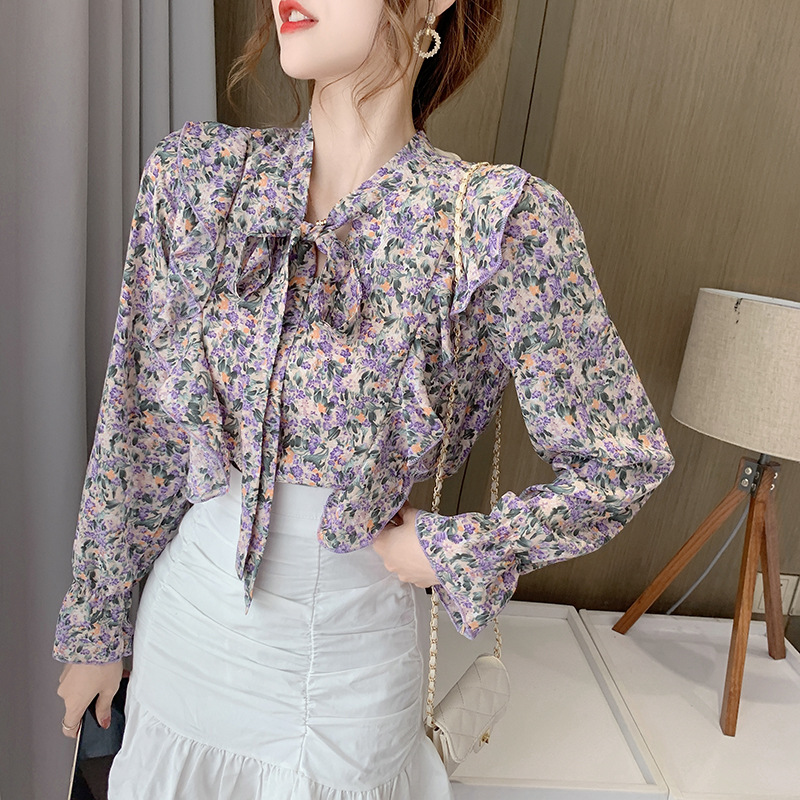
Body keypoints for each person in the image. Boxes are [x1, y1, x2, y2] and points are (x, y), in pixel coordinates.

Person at [54, 0, 676, 797]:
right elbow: (136, 431)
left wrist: (457, 549)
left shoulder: (496, 224)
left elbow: (622, 462)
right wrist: (98, 627)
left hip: (346, 680)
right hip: (186, 643)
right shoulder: (198, 177)